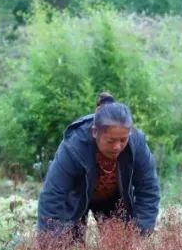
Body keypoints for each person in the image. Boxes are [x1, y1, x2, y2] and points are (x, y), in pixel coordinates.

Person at [37, 97, 160, 239]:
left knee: (120, 248)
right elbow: (53, 195)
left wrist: (141, 234)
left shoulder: (137, 143)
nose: (117, 146)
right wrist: (49, 245)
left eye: (123, 140)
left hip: (113, 199)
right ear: (95, 132)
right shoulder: (73, 146)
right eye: (110, 141)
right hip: (77, 198)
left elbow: (148, 189)